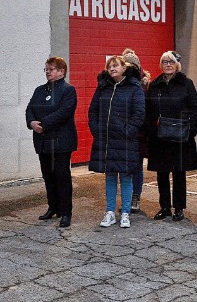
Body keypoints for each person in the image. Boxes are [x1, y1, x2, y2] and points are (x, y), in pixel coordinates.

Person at [88, 55, 145, 228]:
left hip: (126, 141)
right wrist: (97, 130)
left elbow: (139, 114)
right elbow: (93, 112)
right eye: (110, 66)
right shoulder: (103, 88)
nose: (112, 69)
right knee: (110, 176)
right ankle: (110, 212)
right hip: (106, 140)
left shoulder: (134, 88)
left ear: (124, 68)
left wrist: (128, 132)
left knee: (126, 177)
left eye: (116, 66)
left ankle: (125, 213)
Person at [145, 51, 197, 222]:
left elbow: (195, 109)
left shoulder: (186, 84)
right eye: (164, 62)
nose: (168, 65)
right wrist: (151, 131)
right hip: (160, 138)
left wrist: (190, 131)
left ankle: (179, 208)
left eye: (171, 62)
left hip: (180, 137)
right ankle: (164, 207)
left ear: (177, 65)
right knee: (161, 173)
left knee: (178, 173)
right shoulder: (154, 85)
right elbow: (148, 111)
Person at [26, 56, 78, 228]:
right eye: (46, 69)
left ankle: (65, 212)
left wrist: (43, 124)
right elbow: (30, 108)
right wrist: (32, 122)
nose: (48, 71)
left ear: (62, 71)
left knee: (62, 177)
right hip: (43, 141)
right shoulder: (40, 90)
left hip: (61, 142)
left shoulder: (68, 90)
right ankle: (53, 207)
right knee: (48, 176)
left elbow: (64, 112)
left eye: (52, 69)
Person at [122, 48, 150, 214]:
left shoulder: (146, 85)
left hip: (139, 133)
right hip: (123, 133)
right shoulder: (119, 83)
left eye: (132, 65)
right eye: (126, 65)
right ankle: (127, 197)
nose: (130, 68)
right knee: (124, 167)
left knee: (137, 166)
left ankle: (136, 197)